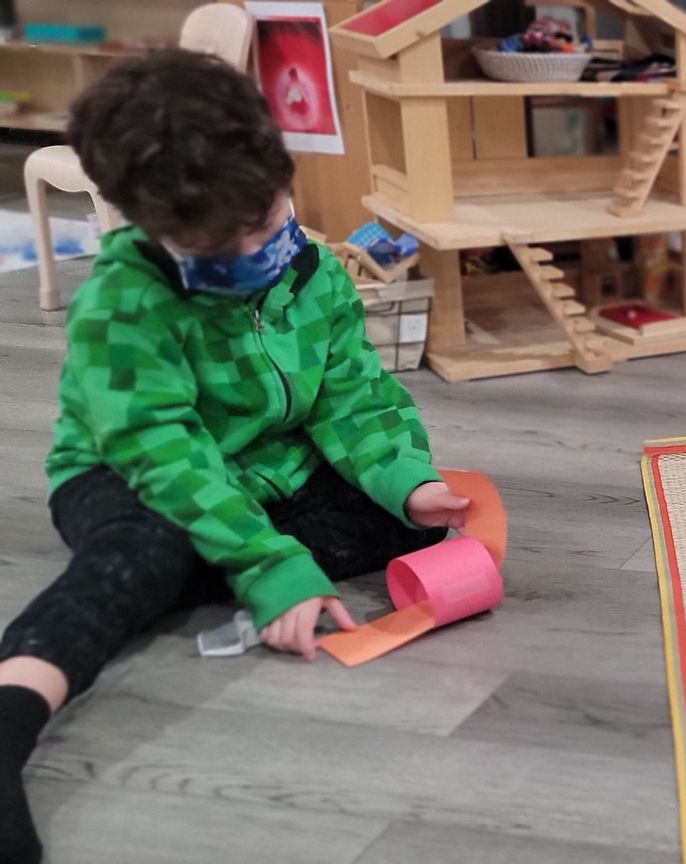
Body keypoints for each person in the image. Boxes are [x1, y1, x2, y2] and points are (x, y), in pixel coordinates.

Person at [0, 50, 469, 862]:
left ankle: (214, 566)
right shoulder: (121, 306)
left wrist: (406, 479)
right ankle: (15, 709)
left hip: (268, 466)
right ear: (152, 230)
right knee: (143, 550)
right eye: (224, 249)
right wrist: (270, 567)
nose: (261, 248)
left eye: (267, 218)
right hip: (127, 475)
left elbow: (351, 397)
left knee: (412, 517)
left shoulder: (312, 269)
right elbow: (166, 454)